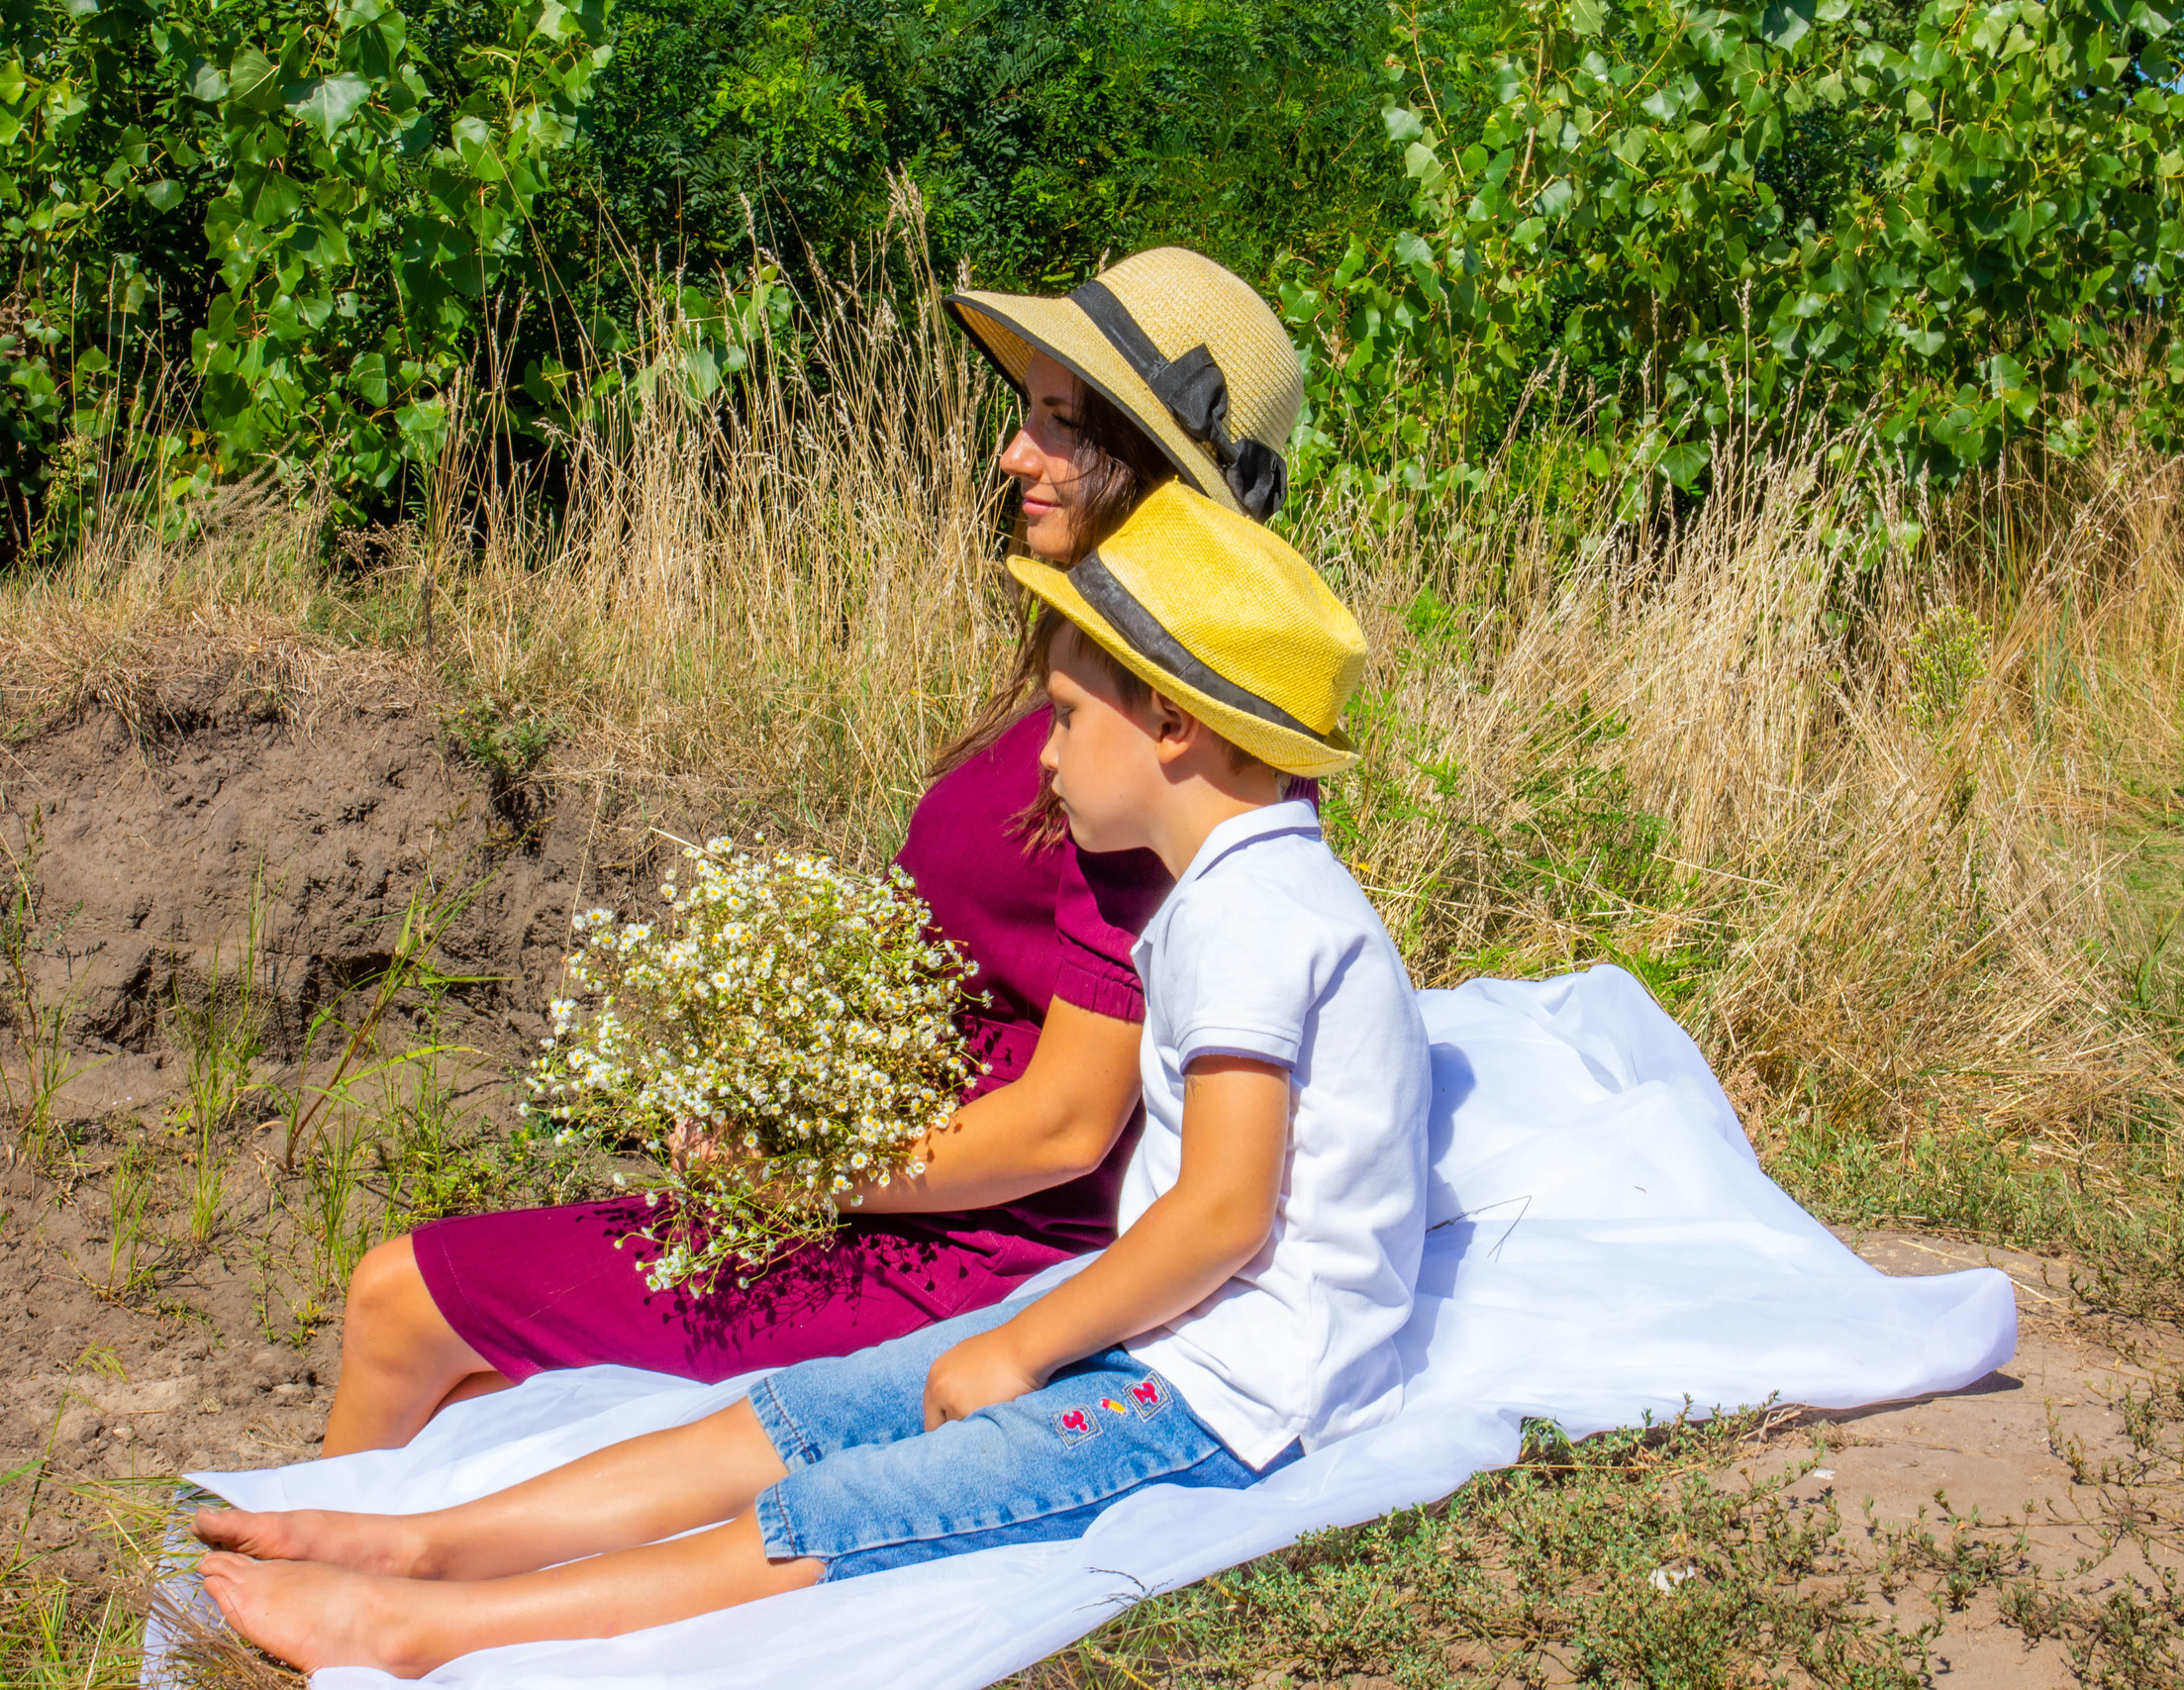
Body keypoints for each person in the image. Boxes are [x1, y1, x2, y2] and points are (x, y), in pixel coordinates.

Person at [189, 480, 1431, 1676]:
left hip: (1226, 1397)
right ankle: (423, 1541)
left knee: (858, 1499)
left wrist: (1026, 1345)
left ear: (1173, 724)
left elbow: (1222, 1210)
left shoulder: (1254, 918)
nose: (1043, 758)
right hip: (1165, 1325)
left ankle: (428, 1628)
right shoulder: (1243, 890)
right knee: (818, 1410)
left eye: (1063, 715)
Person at [318, 249, 1309, 1455]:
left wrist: (796, 1173)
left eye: (1056, 421)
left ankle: (299, 1633)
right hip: (902, 1173)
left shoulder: (1159, 744)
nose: (1014, 454)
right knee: (481, 1410)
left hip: (968, 1241)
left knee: (399, 1299)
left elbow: (1063, 1127)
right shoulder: (1094, 675)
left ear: (1153, 474)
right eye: (1027, 413)